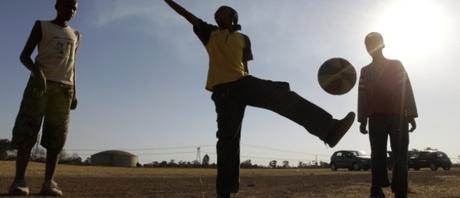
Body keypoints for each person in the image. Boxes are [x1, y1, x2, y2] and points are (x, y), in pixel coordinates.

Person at [164, 1, 355, 197]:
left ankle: (329, 130)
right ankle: (225, 191)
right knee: (228, 140)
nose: (218, 14)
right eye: (217, 13)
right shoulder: (209, 32)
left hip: (244, 83)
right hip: (224, 92)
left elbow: (245, 67)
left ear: (233, 18)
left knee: (280, 93)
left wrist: (257, 90)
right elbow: (186, 14)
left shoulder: (244, 39)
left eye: (223, 12)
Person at [9, 0, 80, 196]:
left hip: (64, 90)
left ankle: (49, 182)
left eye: (74, 7)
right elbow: (24, 56)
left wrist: (75, 91)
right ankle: (19, 181)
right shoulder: (42, 26)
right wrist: (37, 73)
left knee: (56, 138)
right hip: (39, 87)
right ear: (57, 6)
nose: (71, 10)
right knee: (27, 132)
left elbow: (72, 66)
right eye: (67, 5)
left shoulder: (76, 35)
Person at [358, 32, 418, 198]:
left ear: (383, 45)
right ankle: (376, 188)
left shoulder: (396, 65)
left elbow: (406, 89)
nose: (371, 48)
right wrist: (362, 119)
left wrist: (411, 113)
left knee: (399, 153)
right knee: (377, 153)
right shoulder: (365, 71)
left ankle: (400, 189)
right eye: (368, 45)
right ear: (366, 50)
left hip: (398, 116)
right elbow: (362, 96)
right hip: (376, 117)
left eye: (373, 44)